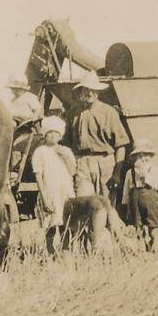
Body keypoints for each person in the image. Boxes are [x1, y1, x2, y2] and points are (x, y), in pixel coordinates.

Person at [64, 74, 130, 198]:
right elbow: (66, 144)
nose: (89, 93)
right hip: (81, 162)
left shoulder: (108, 112)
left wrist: (116, 173)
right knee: (84, 202)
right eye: (86, 89)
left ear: (98, 92)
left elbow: (121, 145)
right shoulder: (73, 113)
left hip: (104, 162)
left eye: (93, 90)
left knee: (106, 205)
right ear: (80, 92)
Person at [29, 116, 77, 253]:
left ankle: (66, 251)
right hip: (49, 191)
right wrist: (44, 198)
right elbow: (38, 175)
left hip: (65, 192)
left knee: (65, 223)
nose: (53, 135)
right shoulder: (40, 151)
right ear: (45, 134)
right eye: (50, 132)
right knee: (50, 224)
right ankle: (50, 252)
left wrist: (66, 157)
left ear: (60, 135)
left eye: (56, 133)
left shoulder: (66, 151)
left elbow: (72, 171)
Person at [122, 138, 158, 250]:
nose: (143, 159)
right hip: (134, 199)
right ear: (135, 158)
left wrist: (145, 176)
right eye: (139, 156)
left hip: (149, 197)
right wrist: (126, 205)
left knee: (152, 227)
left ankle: (155, 246)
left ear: (150, 156)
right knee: (138, 227)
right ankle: (141, 249)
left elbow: (157, 185)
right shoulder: (130, 172)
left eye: (145, 155)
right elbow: (126, 191)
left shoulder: (154, 169)